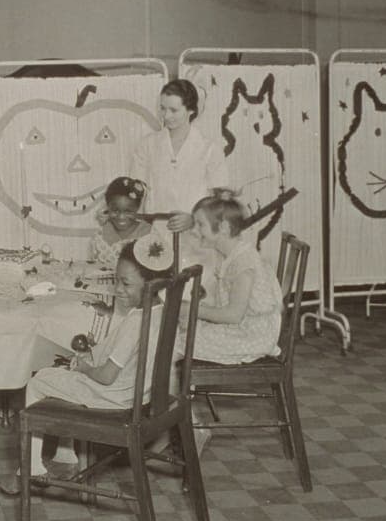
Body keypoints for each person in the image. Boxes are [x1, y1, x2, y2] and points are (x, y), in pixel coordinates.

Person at [1, 240, 171, 491]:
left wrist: (83, 369)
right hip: (140, 394)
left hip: (114, 397)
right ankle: (65, 454)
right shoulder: (161, 310)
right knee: (62, 374)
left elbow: (106, 376)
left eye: (126, 283)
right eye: (117, 280)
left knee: (38, 383)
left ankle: (32, 467)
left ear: (151, 284)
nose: (118, 289)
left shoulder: (137, 321)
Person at [185, 188, 282, 365]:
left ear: (223, 228)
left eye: (200, 225)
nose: (194, 231)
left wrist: (193, 311)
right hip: (243, 329)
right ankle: (177, 388)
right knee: (179, 332)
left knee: (177, 340)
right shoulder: (230, 254)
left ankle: (173, 389)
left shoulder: (243, 262)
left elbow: (233, 315)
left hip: (251, 337)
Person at [129, 78, 230, 234]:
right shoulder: (147, 145)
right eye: (162, 108)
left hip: (197, 235)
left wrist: (194, 219)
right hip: (157, 234)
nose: (166, 116)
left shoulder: (210, 149)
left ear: (190, 110)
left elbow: (221, 201)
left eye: (174, 110)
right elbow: (133, 193)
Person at [89, 176, 152, 266]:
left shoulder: (148, 233)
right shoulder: (100, 235)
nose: (121, 217)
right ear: (107, 207)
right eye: (115, 210)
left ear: (137, 208)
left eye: (128, 211)